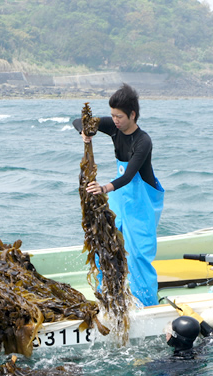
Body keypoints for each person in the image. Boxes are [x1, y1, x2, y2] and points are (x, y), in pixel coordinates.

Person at [73, 83, 165, 306]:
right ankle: (107, 295)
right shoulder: (114, 128)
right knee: (105, 244)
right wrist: (84, 131)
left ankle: (147, 303)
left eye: (119, 116)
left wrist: (103, 188)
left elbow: (129, 174)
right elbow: (79, 121)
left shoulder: (144, 141)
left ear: (132, 115)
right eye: (112, 115)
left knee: (139, 255)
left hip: (141, 201)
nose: (114, 120)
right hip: (119, 199)